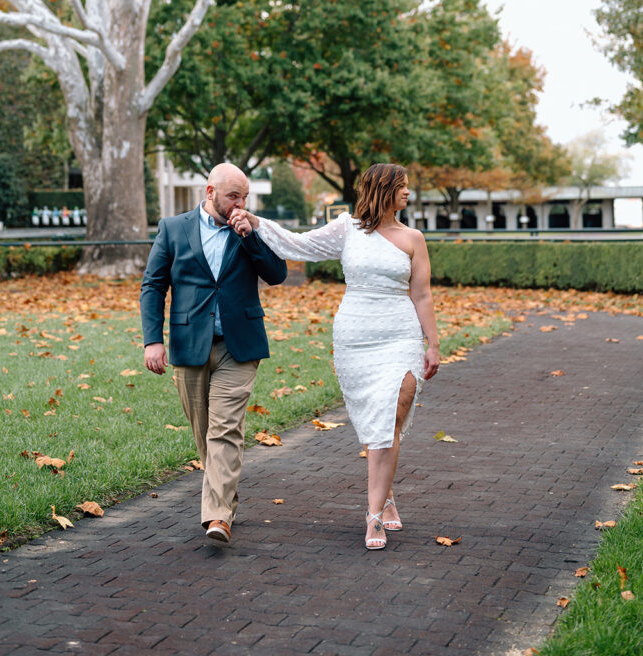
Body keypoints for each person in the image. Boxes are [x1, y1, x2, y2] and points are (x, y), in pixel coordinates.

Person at [229, 162, 439, 551]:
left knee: (394, 411)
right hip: (356, 338)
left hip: (400, 335)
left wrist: (433, 343)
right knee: (378, 422)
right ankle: (387, 497)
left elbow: (422, 294)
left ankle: (373, 513)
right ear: (383, 189)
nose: (409, 193)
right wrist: (256, 222)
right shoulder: (348, 229)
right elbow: (299, 244)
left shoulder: (414, 238)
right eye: (403, 187)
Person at [140, 163, 288, 544]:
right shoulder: (174, 229)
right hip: (190, 346)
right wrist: (152, 340)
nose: (240, 204)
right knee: (205, 434)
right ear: (210, 192)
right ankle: (224, 498)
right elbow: (153, 285)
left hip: (239, 346)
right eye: (233, 197)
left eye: (245, 197)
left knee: (225, 429)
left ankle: (218, 516)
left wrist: (251, 235)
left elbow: (277, 274)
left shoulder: (251, 228)